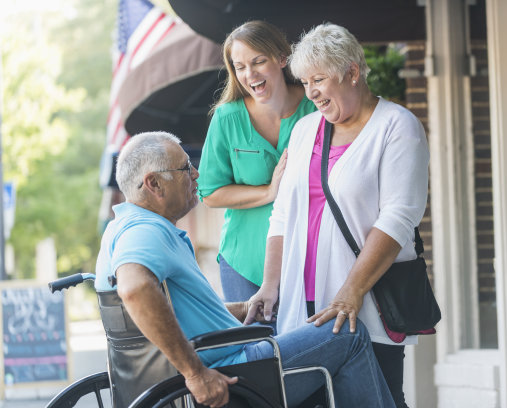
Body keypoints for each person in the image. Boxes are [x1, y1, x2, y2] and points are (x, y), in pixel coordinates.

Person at [95, 131, 395, 408]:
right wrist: (196, 374)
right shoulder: (145, 231)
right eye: (186, 169)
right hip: (234, 370)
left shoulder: (120, 227)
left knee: (299, 325)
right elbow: (134, 288)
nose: (196, 174)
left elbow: (179, 311)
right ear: (154, 184)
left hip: (217, 359)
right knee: (346, 334)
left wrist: (243, 308)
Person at [245, 23, 429, 408]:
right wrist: (270, 285)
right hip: (302, 311)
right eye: (304, 81)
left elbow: (399, 217)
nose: (310, 91)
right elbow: (282, 215)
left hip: (367, 308)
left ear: (352, 72)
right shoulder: (305, 129)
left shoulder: (397, 127)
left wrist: (352, 291)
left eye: (319, 79)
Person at [197, 20, 316, 302]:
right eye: (240, 67)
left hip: (309, 257)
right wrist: (268, 192)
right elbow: (209, 192)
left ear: (282, 58)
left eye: (258, 61)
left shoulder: (315, 109)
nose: (249, 74)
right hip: (244, 263)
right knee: (255, 346)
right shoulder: (227, 119)